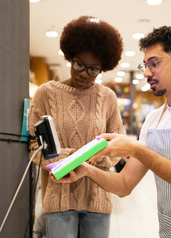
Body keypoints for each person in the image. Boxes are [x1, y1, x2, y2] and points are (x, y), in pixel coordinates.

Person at [52, 26, 171, 237]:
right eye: (145, 65)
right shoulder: (153, 120)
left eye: (154, 63)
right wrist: (87, 171)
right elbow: (124, 185)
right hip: (170, 232)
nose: (146, 73)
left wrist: (137, 149)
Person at [28, 16, 124, 238]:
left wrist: (86, 159)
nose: (84, 73)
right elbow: (34, 146)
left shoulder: (108, 97)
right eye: (80, 64)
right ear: (70, 57)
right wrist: (68, 157)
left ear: (102, 69)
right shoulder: (46, 94)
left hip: (97, 196)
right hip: (58, 197)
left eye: (93, 69)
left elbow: (118, 149)